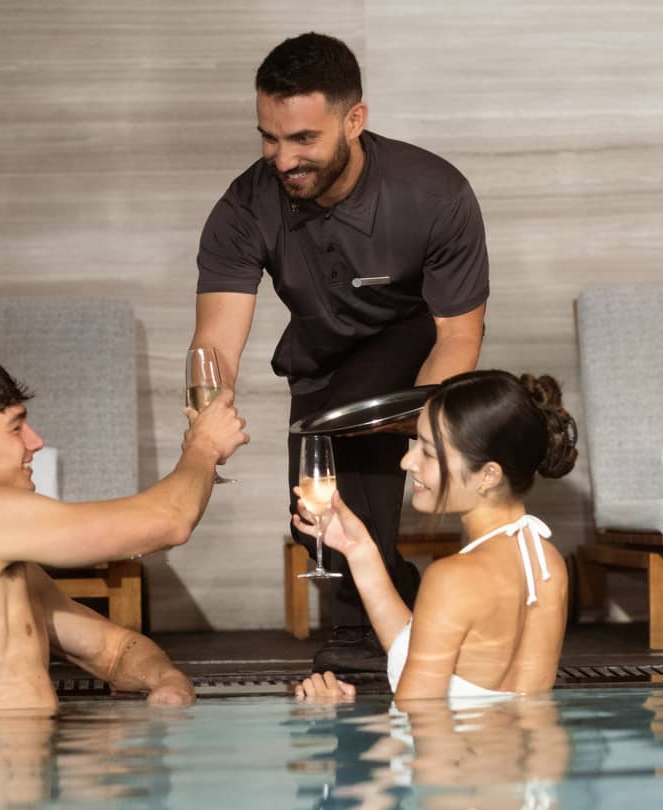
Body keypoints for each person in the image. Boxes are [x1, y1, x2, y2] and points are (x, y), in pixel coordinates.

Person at [190, 32, 490, 673]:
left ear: (355, 120)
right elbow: (214, 343)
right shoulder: (244, 206)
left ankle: (358, 640)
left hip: (409, 347)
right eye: (269, 137)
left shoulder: (434, 194)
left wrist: (418, 423)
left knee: (357, 449)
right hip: (319, 358)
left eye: (303, 139)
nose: (282, 157)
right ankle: (416, 607)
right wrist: (207, 418)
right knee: (312, 516)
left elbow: (458, 335)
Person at [0, 352, 249, 711]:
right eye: (17, 428)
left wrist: (167, 681)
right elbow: (168, 520)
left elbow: (113, 651)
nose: (35, 443)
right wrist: (205, 446)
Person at [292, 370, 578, 702]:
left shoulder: (453, 579)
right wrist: (359, 550)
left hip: (444, 751)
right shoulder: (546, 564)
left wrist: (344, 712)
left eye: (428, 452)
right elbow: (427, 652)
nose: (406, 461)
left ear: (488, 474)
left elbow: (418, 724)